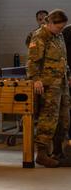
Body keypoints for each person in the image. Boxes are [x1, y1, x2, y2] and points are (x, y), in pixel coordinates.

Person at [27, 9, 70, 168]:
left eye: (62, 27)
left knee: (64, 118)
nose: (61, 30)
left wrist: (68, 76)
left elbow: (63, 58)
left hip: (61, 83)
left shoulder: (58, 36)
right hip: (48, 84)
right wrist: (35, 79)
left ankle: (59, 152)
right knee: (48, 118)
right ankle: (42, 153)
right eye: (59, 27)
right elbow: (32, 61)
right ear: (50, 23)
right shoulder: (40, 36)